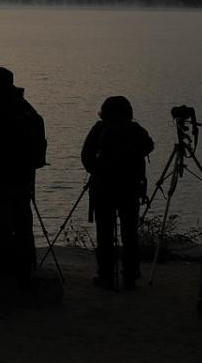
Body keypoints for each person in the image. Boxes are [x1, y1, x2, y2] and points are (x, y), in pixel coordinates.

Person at [0, 66, 46, 288]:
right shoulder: (28, 111)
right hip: (24, 178)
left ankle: (3, 267)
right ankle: (25, 268)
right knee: (23, 222)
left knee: (1, 223)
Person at [80, 96, 154, 290]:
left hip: (103, 189)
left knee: (104, 233)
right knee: (129, 233)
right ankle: (129, 277)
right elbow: (149, 146)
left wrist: (99, 169)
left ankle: (105, 276)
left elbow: (86, 157)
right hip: (129, 189)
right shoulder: (135, 130)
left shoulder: (100, 129)